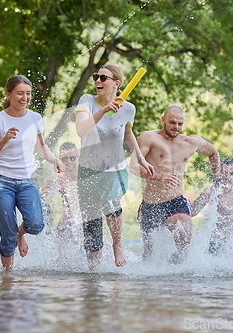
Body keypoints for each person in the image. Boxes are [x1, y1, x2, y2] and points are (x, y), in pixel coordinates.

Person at [75, 64, 155, 269]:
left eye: (104, 78)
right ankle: (94, 268)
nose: (98, 81)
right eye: (96, 77)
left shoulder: (128, 108)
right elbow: (81, 130)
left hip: (115, 169)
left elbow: (128, 134)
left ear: (116, 83)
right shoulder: (87, 101)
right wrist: (103, 110)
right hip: (88, 170)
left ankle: (117, 246)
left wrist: (141, 158)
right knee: (91, 221)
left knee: (111, 202)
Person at [0, 75, 62, 271]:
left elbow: (41, 146)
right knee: (7, 233)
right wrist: (4, 139)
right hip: (0, 181)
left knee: (36, 224)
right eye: (20, 93)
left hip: (27, 180)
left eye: (28, 94)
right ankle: (8, 276)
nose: (24, 97)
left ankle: (21, 234)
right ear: (8, 94)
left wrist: (54, 160)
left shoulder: (35, 118)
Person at [134, 105, 220, 263]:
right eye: (172, 122)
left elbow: (213, 153)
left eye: (180, 124)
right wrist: (160, 177)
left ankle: (177, 276)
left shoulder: (190, 142)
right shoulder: (148, 137)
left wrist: (217, 181)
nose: (176, 127)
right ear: (163, 120)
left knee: (184, 243)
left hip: (175, 201)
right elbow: (133, 167)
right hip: (150, 204)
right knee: (149, 255)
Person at [42, 142, 82, 240]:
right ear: (60, 158)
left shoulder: (84, 174)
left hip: (84, 217)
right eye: (64, 159)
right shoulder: (58, 176)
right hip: (67, 219)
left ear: (77, 156)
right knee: (61, 230)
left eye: (72, 158)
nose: (69, 161)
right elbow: (43, 193)